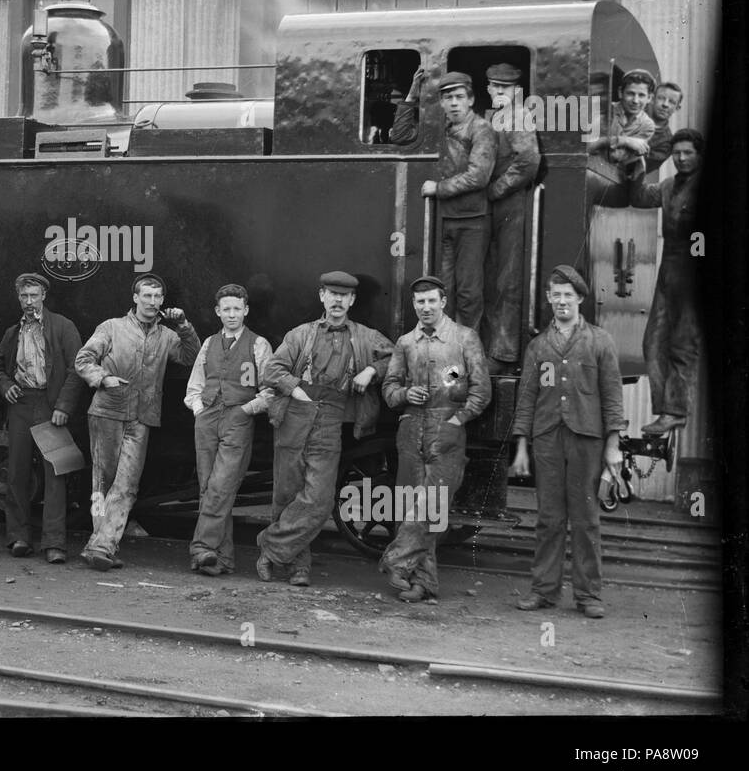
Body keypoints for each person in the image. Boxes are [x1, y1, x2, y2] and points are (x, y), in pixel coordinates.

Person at [254, 272, 392, 586]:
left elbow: (395, 357)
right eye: (332, 294)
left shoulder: (366, 337)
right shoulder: (300, 334)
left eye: (344, 296)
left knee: (319, 499)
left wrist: (371, 369)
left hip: (331, 418)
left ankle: (271, 547)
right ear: (322, 297)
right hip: (295, 414)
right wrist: (294, 388)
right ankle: (298, 567)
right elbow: (271, 369)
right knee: (287, 495)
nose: (338, 300)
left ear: (353, 300)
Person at [511, 265, 625, 619]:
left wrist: (613, 444)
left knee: (586, 517)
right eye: (556, 295)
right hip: (547, 439)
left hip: (587, 440)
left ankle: (588, 595)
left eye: (568, 296)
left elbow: (612, 397)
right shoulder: (538, 346)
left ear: (579, 299)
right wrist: (520, 448)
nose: (562, 301)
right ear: (548, 299)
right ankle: (544, 591)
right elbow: (527, 398)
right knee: (549, 518)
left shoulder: (600, 341)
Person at [75, 274, 200, 571]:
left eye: (157, 297)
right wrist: (103, 378)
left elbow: (192, 356)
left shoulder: (166, 335)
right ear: (135, 298)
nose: (152, 302)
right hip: (107, 411)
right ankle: (102, 544)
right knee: (101, 483)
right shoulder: (111, 327)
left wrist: (183, 325)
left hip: (142, 417)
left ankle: (100, 546)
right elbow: (83, 359)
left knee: (127, 485)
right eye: (146, 296)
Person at [379, 276, 490, 602]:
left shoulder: (464, 339)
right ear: (414, 305)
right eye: (419, 302)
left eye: (431, 301)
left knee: (431, 508)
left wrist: (457, 420)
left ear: (443, 302)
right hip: (411, 428)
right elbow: (389, 391)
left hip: (448, 429)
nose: (425, 307)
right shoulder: (406, 343)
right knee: (410, 507)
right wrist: (404, 393)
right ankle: (423, 584)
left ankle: (393, 561)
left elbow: (481, 391)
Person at [0, 273, 85, 564]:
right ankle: (18, 537)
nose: (29, 301)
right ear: (18, 298)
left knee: (55, 473)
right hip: (21, 404)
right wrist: (5, 386)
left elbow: (77, 367)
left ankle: (54, 543)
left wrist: (63, 406)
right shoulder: (12, 333)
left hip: (49, 403)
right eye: (24, 296)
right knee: (16, 471)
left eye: (34, 295)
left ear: (44, 295)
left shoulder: (62, 327)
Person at [183, 283, 273, 577]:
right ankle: (222, 559)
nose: (232, 314)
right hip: (207, 418)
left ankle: (200, 547)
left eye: (237, 309)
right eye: (226, 309)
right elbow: (194, 385)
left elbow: (271, 389)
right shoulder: (208, 343)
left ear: (245, 310)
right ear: (218, 312)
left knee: (221, 487)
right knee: (208, 488)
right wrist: (198, 410)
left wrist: (247, 410)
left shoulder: (258, 344)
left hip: (238, 419)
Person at [628, 128, 704, 435]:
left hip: (693, 269)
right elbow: (642, 196)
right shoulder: (670, 185)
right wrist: (636, 168)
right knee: (653, 343)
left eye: (688, 153)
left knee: (683, 345)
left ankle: (676, 411)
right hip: (669, 267)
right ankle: (665, 410)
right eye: (677, 153)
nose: (682, 158)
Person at [418, 72, 497, 331]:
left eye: (459, 97)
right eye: (448, 97)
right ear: (441, 103)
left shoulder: (481, 128)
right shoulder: (441, 127)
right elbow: (401, 132)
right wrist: (410, 95)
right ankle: (445, 353)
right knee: (444, 291)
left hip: (472, 221)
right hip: (445, 220)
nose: (454, 103)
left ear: (471, 100)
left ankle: (467, 353)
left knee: (468, 292)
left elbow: (479, 176)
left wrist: (438, 188)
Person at [482, 63, 541, 371]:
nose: (499, 91)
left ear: (516, 91)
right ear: (489, 88)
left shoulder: (516, 116)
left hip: (509, 203)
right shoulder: (494, 117)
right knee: (493, 277)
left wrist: (497, 189)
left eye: (505, 88)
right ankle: (492, 347)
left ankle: (503, 352)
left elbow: (529, 160)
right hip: (494, 205)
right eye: (495, 87)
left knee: (507, 278)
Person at [586, 69, 657, 178]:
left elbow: (616, 157)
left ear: (649, 98)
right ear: (620, 93)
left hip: (618, 177)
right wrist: (625, 141)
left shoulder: (647, 125)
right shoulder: (606, 110)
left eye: (641, 95)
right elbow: (587, 147)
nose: (635, 101)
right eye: (630, 93)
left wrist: (603, 142)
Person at [645, 80, 683, 173]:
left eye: (672, 102)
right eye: (661, 98)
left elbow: (640, 168)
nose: (665, 104)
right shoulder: (634, 110)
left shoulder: (667, 144)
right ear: (652, 99)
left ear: (677, 108)